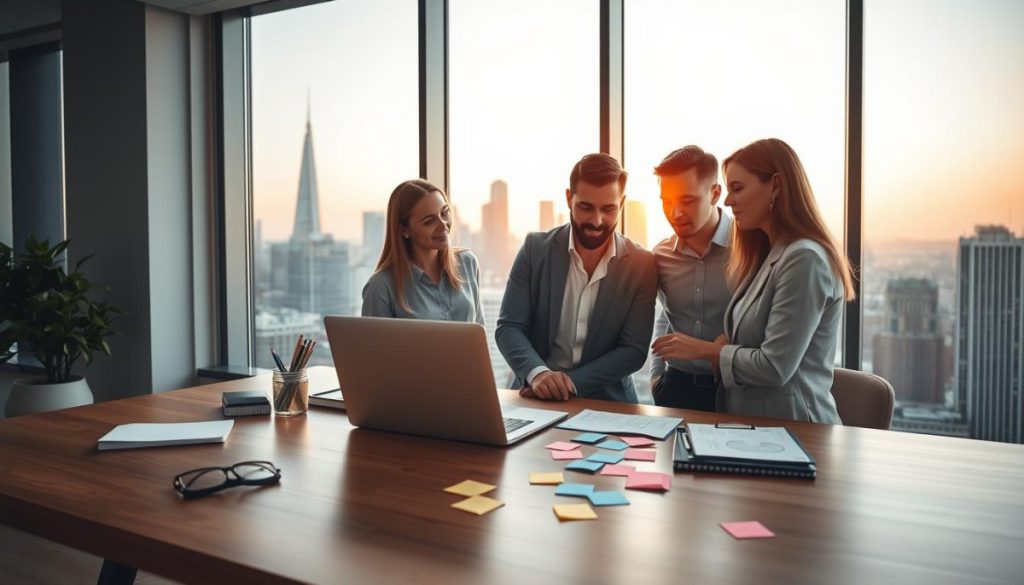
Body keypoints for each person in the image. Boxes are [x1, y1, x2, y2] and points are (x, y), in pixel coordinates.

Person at [651, 138, 854, 423]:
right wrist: (658, 375)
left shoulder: (802, 258)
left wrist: (706, 350)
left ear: (775, 185)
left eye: (737, 188)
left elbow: (775, 365)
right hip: (752, 422)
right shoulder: (768, 252)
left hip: (794, 428)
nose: (729, 201)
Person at [496, 153, 657, 403]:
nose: (596, 221)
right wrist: (539, 375)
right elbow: (509, 327)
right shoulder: (534, 249)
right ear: (569, 199)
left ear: (622, 203)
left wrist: (569, 383)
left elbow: (634, 351)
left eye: (608, 209)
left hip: (609, 403)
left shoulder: (642, 264)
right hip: (533, 396)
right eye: (586, 207)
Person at [648, 146, 733, 411]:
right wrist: (656, 376)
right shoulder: (660, 255)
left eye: (687, 201)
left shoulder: (751, 249)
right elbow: (666, 312)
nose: (675, 213)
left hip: (735, 387)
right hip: (675, 388)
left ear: (715, 194)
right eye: (666, 201)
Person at [362, 179, 483, 325]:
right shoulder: (381, 287)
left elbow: (479, 329)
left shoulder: (467, 262)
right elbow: (373, 347)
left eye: (444, 213)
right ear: (404, 230)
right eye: (429, 221)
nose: (443, 225)